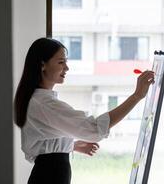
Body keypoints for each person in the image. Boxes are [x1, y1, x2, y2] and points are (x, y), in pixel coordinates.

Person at [14, 38, 154, 184]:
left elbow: (41, 143)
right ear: (42, 65)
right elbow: (93, 129)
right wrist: (137, 96)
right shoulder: (44, 104)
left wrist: (71, 145)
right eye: (61, 62)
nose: (67, 68)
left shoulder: (37, 100)